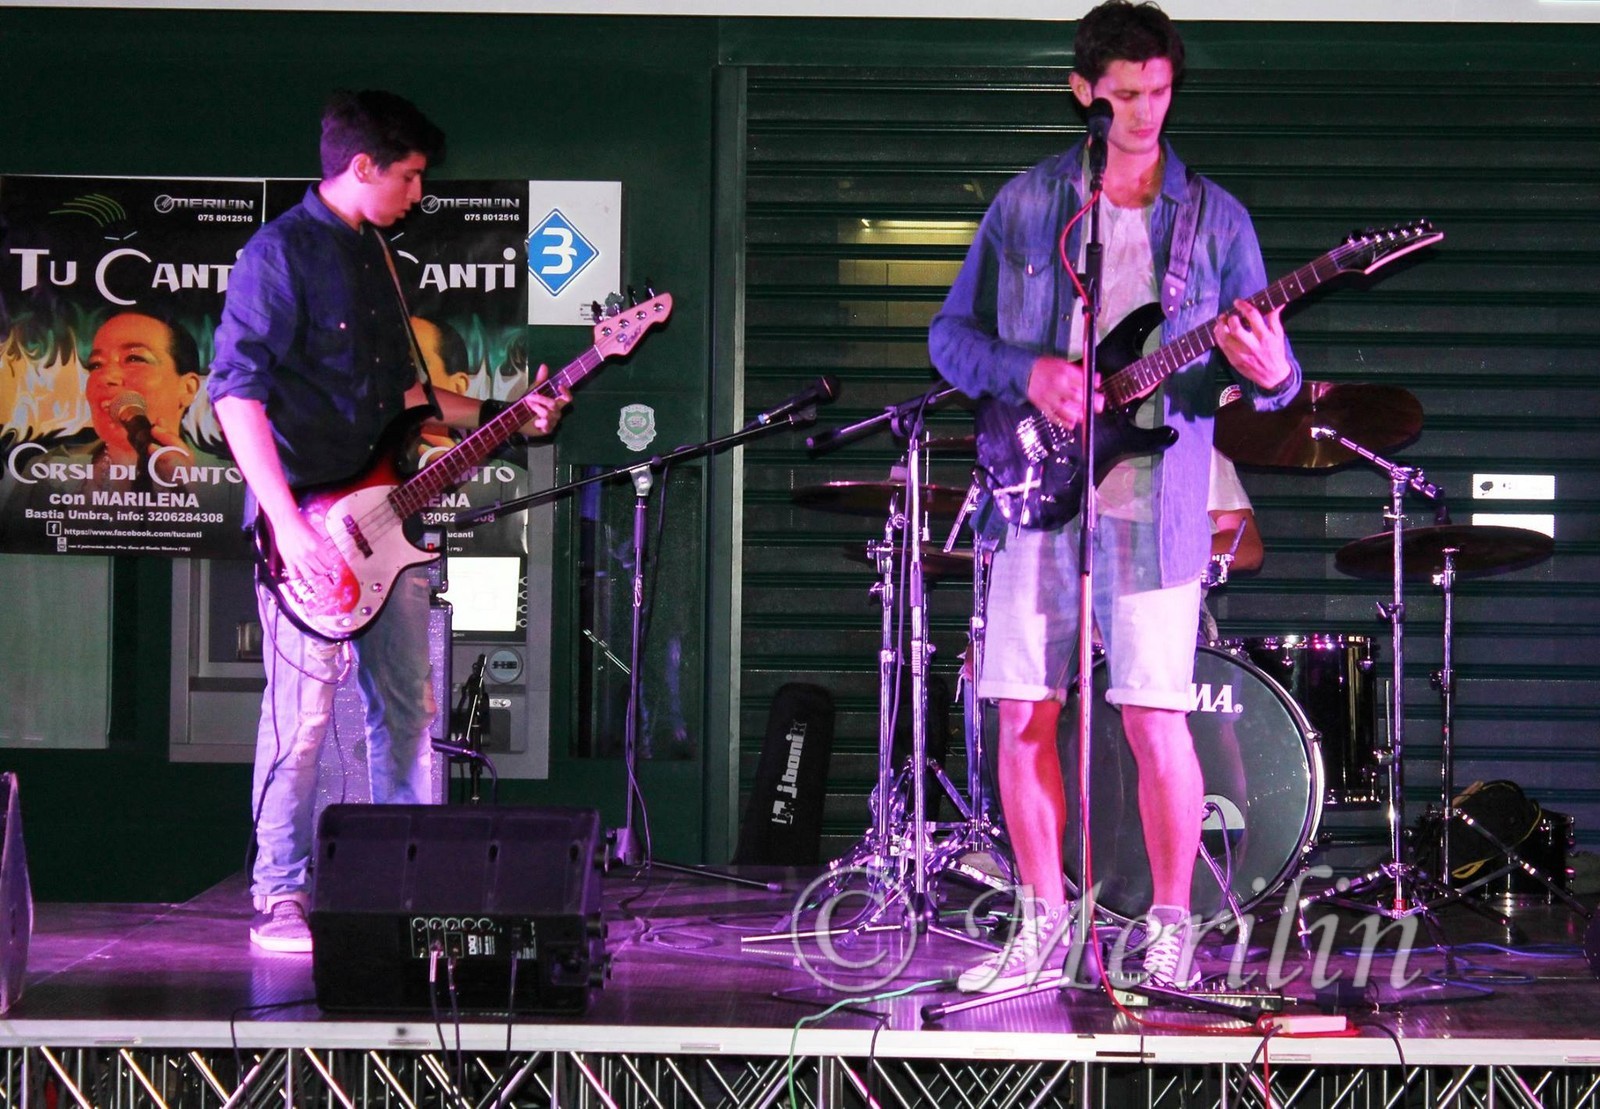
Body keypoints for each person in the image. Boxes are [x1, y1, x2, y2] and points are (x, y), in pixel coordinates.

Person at [928, 0, 1300, 993]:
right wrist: (1029, 371)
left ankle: (1170, 928)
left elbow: (1273, 374)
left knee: (1152, 714)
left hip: (1156, 497)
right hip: (1036, 486)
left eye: (1160, 91)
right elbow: (948, 338)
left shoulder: (1216, 218)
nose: (1145, 112)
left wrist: (1274, 373)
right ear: (1082, 92)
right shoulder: (1027, 203)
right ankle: (1040, 926)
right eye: (1125, 94)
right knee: (1021, 709)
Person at [208, 90, 567, 954]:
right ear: (362, 166)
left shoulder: (377, 256)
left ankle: (411, 885)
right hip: (308, 525)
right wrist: (289, 524)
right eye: (408, 176)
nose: (418, 193)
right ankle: (279, 893)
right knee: (301, 721)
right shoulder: (278, 254)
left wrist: (506, 413)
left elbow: (406, 397)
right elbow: (234, 393)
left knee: (408, 710)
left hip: (387, 522)